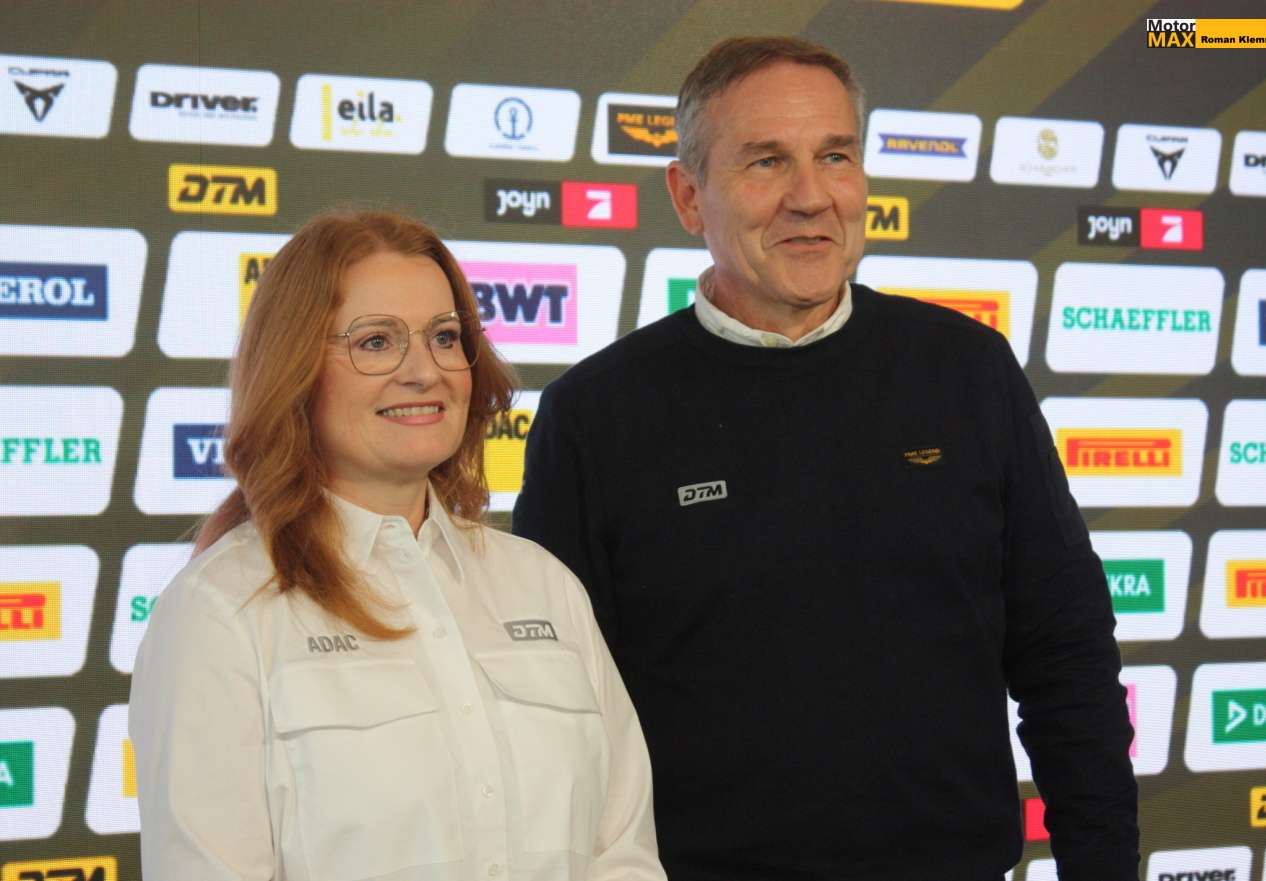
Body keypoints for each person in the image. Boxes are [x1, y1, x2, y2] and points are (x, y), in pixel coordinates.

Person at [512, 36, 1138, 881]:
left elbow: (1067, 655)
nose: (810, 197)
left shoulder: (968, 371)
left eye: (835, 156)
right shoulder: (594, 415)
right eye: (766, 161)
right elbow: (556, 718)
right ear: (688, 196)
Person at [130, 210, 667, 881]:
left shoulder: (545, 585)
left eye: (445, 337)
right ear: (295, 367)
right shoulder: (220, 612)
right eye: (376, 342)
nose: (424, 371)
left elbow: (621, 854)